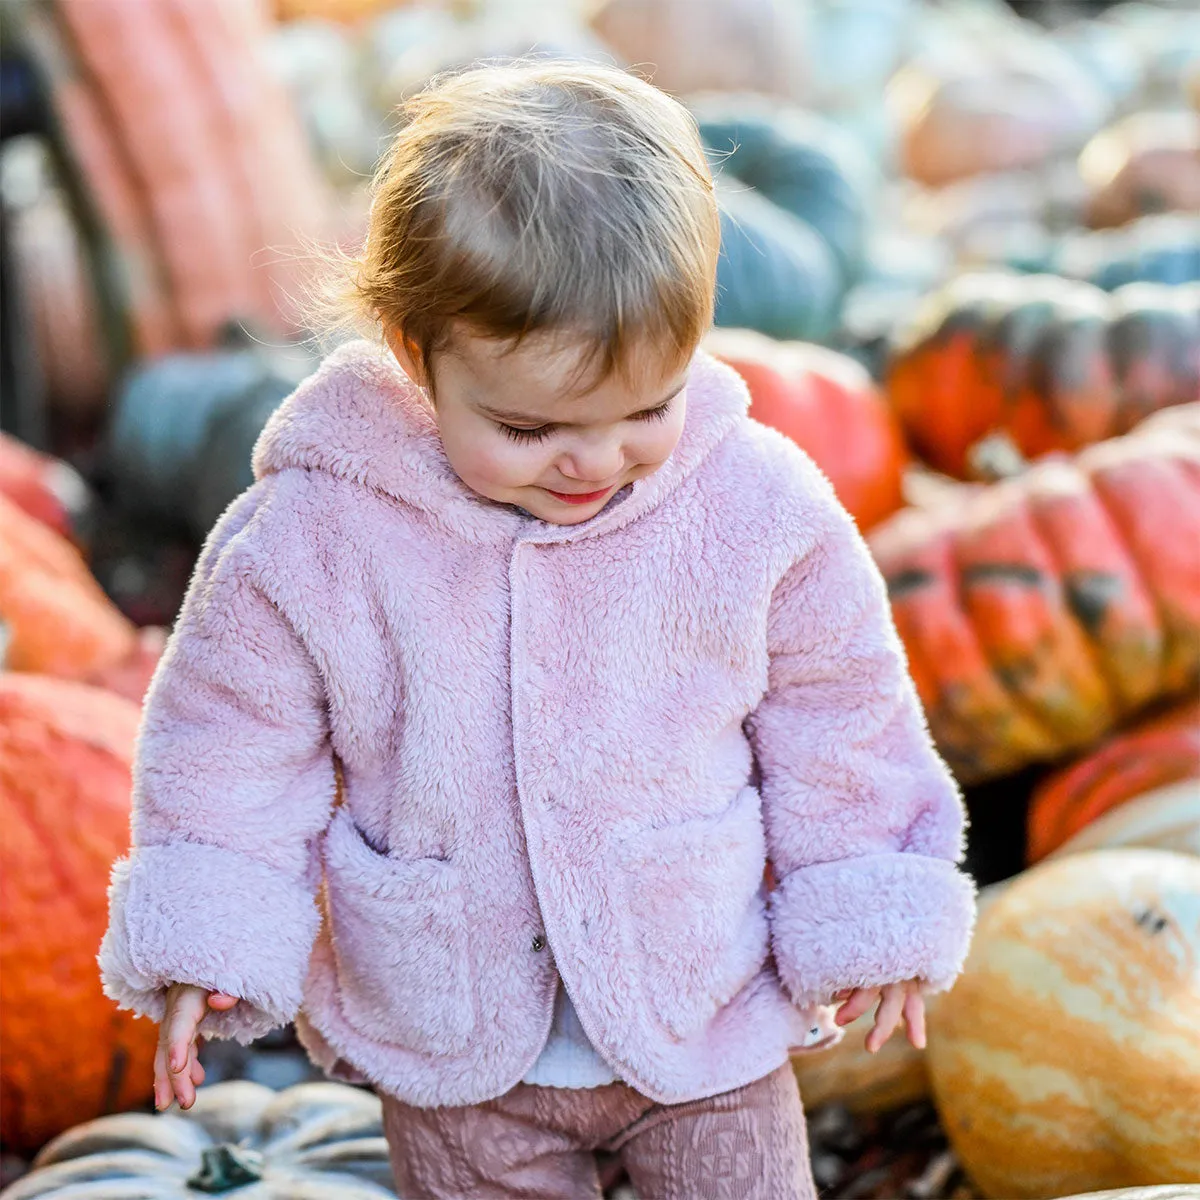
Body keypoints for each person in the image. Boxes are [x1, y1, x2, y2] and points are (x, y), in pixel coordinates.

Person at [99, 59, 976, 1200]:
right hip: (453, 1033)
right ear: (415, 355)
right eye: (528, 426)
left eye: (647, 411)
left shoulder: (754, 504)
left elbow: (838, 704)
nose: (595, 460)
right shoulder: (313, 535)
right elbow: (229, 742)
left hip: (699, 1008)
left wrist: (866, 897)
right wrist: (210, 939)